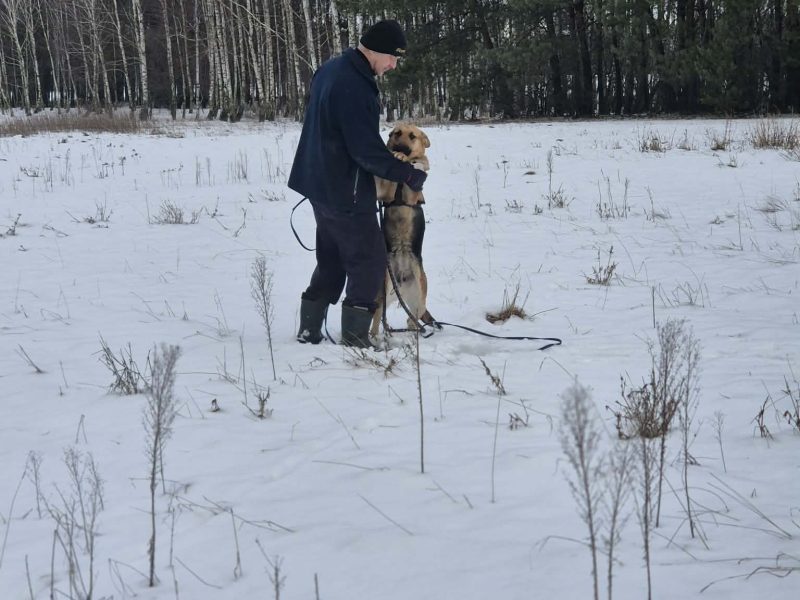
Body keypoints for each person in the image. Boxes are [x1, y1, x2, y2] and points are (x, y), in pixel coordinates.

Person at [288, 20, 427, 348]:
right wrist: (407, 175)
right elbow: (363, 148)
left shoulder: (332, 69)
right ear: (376, 50)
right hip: (344, 188)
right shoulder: (354, 84)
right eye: (392, 57)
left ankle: (309, 330)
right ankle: (356, 339)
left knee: (332, 257)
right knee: (368, 260)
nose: (393, 64)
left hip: (319, 182)